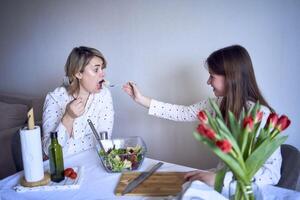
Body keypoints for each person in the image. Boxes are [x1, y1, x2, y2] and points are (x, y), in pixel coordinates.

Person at [122, 45, 281, 188]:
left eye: (212, 76)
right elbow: (183, 113)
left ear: (231, 77)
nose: (208, 82)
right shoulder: (219, 104)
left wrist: (219, 179)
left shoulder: (262, 117)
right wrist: (140, 99)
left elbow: (271, 176)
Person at [42, 46, 114, 157]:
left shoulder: (104, 95)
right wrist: (68, 117)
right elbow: (50, 152)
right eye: (96, 69)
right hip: (64, 168)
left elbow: (104, 142)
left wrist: (69, 146)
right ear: (78, 73)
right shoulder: (55, 98)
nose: (102, 74)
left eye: (102, 69)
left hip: (94, 162)